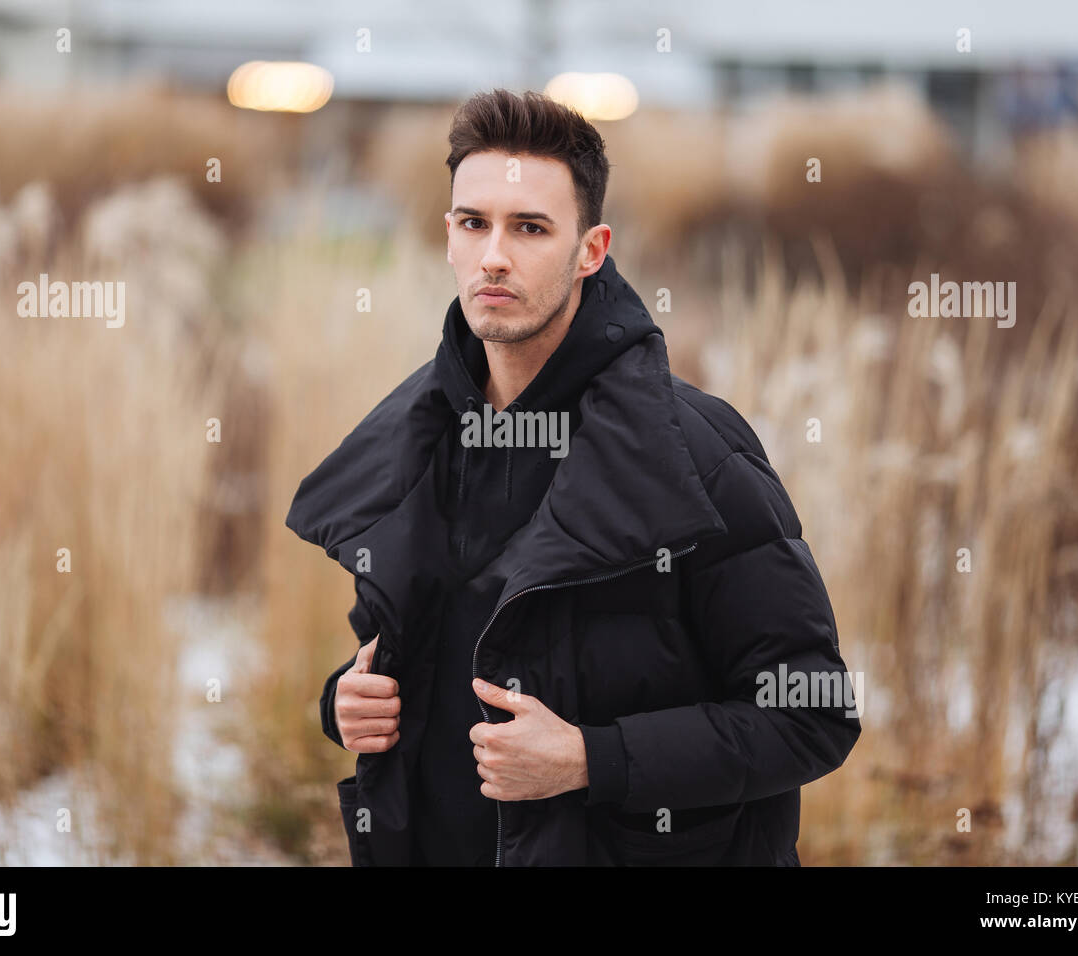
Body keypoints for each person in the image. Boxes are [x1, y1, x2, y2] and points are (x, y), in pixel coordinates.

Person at [286, 88, 860, 866]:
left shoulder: (691, 450)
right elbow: (418, 655)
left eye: (529, 228)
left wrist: (595, 759)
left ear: (591, 250)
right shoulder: (416, 439)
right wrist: (343, 703)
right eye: (473, 223)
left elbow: (813, 714)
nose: (494, 254)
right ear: (448, 237)